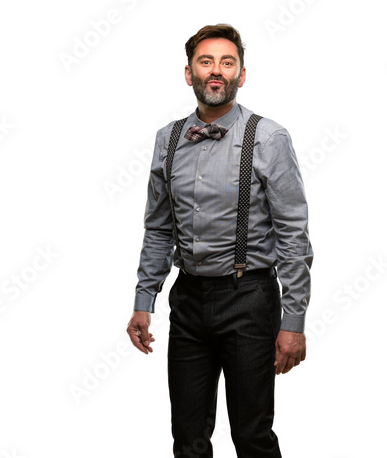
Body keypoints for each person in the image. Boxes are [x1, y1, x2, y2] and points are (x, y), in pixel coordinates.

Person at [126, 24, 312, 457]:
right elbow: (159, 227)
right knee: (188, 439)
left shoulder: (268, 137)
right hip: (188, 300)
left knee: (251, 436)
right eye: (205, 61)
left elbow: (294, 235)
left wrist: (294, 321)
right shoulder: (168, 138)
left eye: (227, 63)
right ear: (188, 73)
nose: (216, 70)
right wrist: (143, 300)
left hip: (249, 298)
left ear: (241, 75)